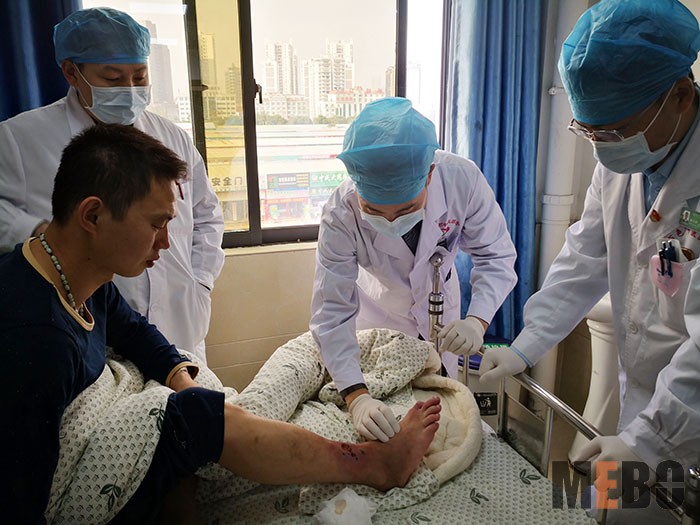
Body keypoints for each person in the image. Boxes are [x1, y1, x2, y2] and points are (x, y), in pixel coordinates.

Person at [0, 124, 441, 525]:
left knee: (202, 387)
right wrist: (193, 411)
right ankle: (373, 464)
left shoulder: (77, 275)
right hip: (83, 481)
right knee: (199, 417)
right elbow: (25, 502)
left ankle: (186, 489)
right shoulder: (35, 341)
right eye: (156, 224)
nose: (166, 242)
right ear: (93, 216)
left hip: (133, 408)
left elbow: (133, 332)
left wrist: (181, 380)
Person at [479, 0, 700, 514]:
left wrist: (650, 440)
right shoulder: (625, 160)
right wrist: (525, 345)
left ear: (680, 96)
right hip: (644, 403)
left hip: (687, 405)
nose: (603, 147)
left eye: (615, 131)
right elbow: (584, 257)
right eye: (589, 131)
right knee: (616, 510)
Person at [0, 7, 224, 362]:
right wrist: (38, 233)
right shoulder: (20, 138)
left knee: (188, 390)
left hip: (180, 325)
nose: (130, 89)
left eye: (140, 76)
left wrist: (200, 281)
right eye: (113, 78)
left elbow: (207, 216)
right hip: (92, 337)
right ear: (72, 73)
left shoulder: (172, 138)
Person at [311, 97, 517, 442]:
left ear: (430, 175)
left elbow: (495, 256)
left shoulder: (461, 180)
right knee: (388, 426)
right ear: (357, 186)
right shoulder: (340, 214)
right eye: (374, 210)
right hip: (379, 322)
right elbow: (331, 310)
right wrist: (357, 397)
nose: (392, 221)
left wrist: (477, 321)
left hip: (444, 317)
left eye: (406, 208)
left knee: (444, 422)